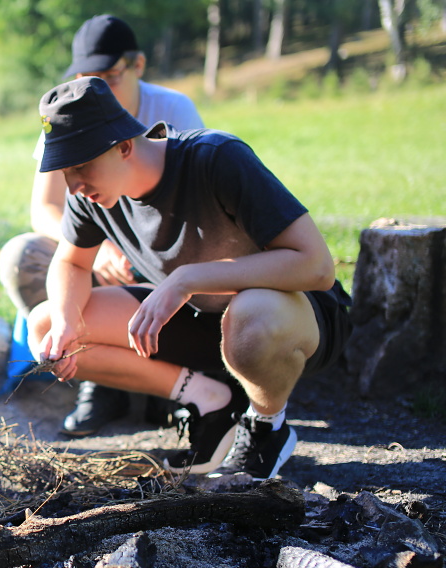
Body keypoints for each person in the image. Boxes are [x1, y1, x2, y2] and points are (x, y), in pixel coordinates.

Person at [28, 76, 352, 480]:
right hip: (204, 318)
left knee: (250, 315)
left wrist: (188, 279)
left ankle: (266, 427)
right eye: (64, 170)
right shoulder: (89, 197)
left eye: (80, 166)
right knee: (45, 325)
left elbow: (317, 267)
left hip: (293, 316)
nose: (74, 185)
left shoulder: (215, 158)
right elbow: (72, 263)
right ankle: (212, 402)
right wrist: (66, 321)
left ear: (124, 146)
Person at [0, 14, 204, 436]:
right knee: (23, 257)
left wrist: (132, 248)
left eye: (110, 77)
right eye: (87, 78)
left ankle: (176, 380)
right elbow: (46, 207)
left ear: (138, 65)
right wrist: (98, 246)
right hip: (100, 248)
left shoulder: (174, 108)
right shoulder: (66, 115)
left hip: (164, 249)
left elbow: (196, 203)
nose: (99, 89)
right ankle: (97, 378)